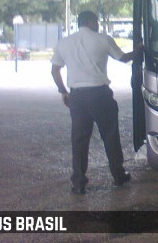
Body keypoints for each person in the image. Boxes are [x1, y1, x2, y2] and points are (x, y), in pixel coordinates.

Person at [51, 10, 142, 195]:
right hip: (100, 95)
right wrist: (139, 50)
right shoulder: (103, 39)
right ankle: (118, 175)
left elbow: (55, 71)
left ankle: (79, 182)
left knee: (79, 140)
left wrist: (64, 92)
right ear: (92, 22)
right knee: (110, 136)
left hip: (77, 97)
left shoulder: (64, 43)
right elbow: (123, 58)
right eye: (97, 22)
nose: (98, 25)